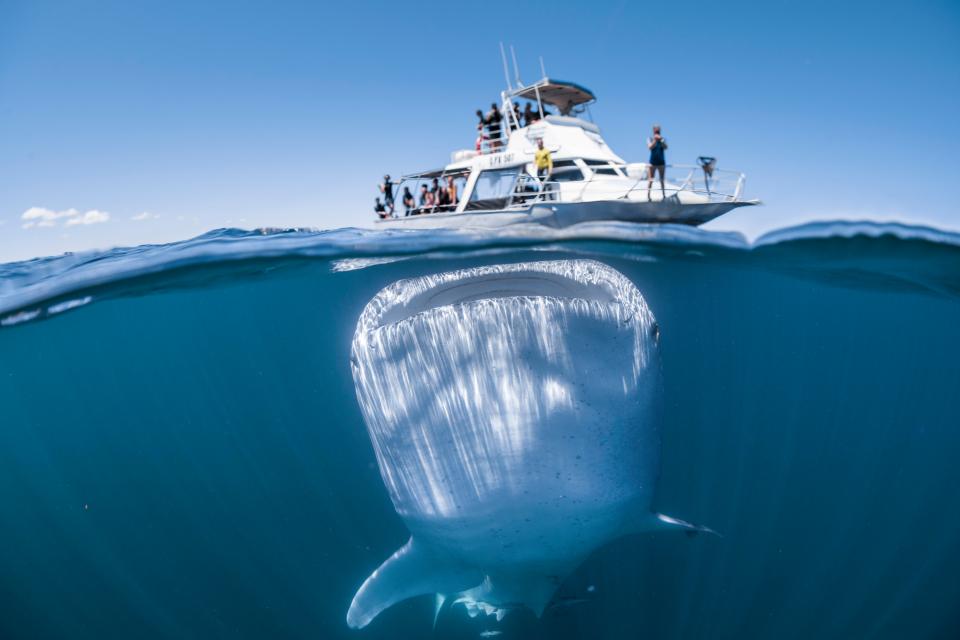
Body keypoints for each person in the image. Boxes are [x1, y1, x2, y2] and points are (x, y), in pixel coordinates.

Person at [647, 124, 668, 200]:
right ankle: (648, 195)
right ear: (653, 131)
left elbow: (666, 147)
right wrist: (655, 140)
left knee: (662, 180)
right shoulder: (649, 138)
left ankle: (663, 195)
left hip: (661, 163)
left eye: (658, 131)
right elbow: (650, 147)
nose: (657, 132)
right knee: (650, 180)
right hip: (652, 163)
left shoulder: (663, 139)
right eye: (656, 131)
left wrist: (661, 140)